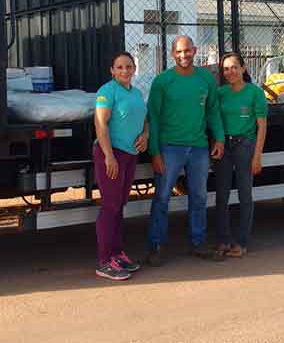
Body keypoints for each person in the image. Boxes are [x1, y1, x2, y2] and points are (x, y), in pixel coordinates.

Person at [146, 35, 225, 266]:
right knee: (161, 197)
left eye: (187, 51)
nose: (184, 55)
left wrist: (218, 139)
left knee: (199, 197)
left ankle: (198, 242)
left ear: (195, 51)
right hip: (169, 148)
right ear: (172, 54)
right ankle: (156, 245)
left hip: (199, 148)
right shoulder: (162, 81)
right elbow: (154, 117)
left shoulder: (206, 79)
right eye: (179, 52)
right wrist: (155, 152)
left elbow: (213, 111)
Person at [93, 51, 149, 280]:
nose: (124, 71)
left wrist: (146, 134)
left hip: (129, 154)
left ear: (134, 68)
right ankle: (105, 261)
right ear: (112, 71)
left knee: (119, 205)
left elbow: (144, 120)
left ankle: (117, 254)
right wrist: (109, 156)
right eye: (119, 67)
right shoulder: (107, 91)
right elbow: (101, 124)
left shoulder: (136, 93)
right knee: (110, 206)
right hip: (111, 154)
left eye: (128, 66)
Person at [214, 52, 267, 260]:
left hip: (245, 145)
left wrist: (257, 156)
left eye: (234, 67)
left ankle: (242, 242)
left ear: (243, 69)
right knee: (221, 195)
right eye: (226, 69)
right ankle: (224, 240)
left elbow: (262, 126)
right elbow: (213, 117)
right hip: (223, 146)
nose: (230, 72)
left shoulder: (255, 93)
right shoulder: (220, 93)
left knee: (245, 195)